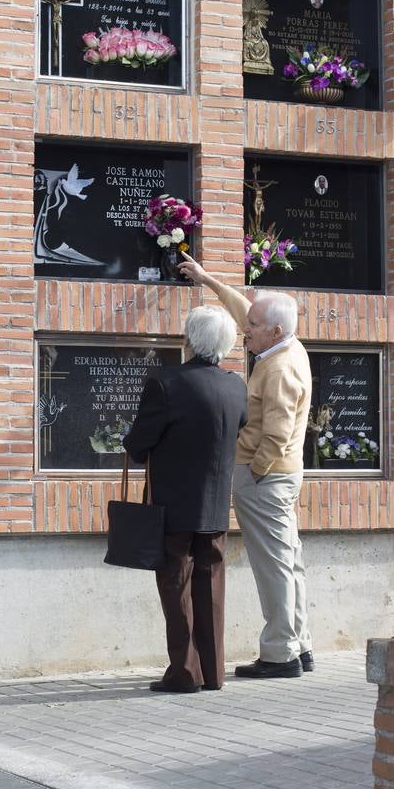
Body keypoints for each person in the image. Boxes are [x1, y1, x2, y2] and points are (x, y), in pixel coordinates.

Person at [178, 252, 314, 679]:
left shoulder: (279, 368)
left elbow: (276, 432)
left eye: (252, 327)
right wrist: (208, 279)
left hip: (267, 477)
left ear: (273, 330)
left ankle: (280, 654)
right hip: (278, 475)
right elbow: (244, 307)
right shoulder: (284, 342)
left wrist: (254, 472)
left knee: (272, 564)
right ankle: (300, 644)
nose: (243, 330)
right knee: (289, 560)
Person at [123, 306, 247, 693]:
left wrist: (134, 444)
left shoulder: (166, 383)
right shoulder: (236, 386)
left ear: (189, 339)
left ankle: (184, 672)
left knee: (177, 587)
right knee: (211, 589)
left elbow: (139, 445)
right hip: (214, 506)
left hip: (173, 506)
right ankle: (213, 672)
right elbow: (238, 427)